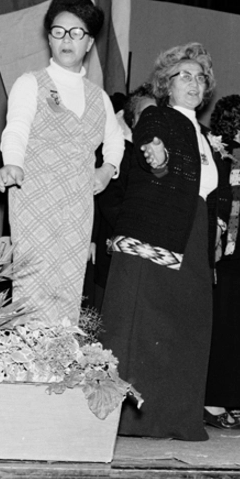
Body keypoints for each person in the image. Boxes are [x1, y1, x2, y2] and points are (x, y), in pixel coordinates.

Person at [99, 43, 226, 441]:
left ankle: (175, 418)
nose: (194, 82)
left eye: (200, 77)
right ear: (166, 85)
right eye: (184, 76)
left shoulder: (204, 134)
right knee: (144, 327)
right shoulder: (158, 117)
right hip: (156, 233)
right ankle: (130, 421)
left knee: (186, 328)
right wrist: (157, 157)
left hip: (194, 235)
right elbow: (154, 150)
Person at [0, 0, 124, 326]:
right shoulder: (31, 83)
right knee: (33, 286)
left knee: (67, 288)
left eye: (76, 32)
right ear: (49, 37)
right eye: (58, 31)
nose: (67, 39)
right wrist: (12, 162)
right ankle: (25, 369)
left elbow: (115, 141)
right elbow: (17, 127)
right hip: (35, 196)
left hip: (78, 205)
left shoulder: (100, 98)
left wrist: (107, 170)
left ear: (89, 42)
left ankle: (55, 366)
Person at [203, 94, 240, 430]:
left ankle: (229, 400)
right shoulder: (223, 154)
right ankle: (212, 402)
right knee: (224, 328)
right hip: (222, 257)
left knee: (237, 330)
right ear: (238, 124)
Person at [84, 84, 156, 310]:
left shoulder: (155, 158)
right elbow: (109, 200)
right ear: (131, 119)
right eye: (146, 113)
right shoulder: (120, 151)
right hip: (116, 246)